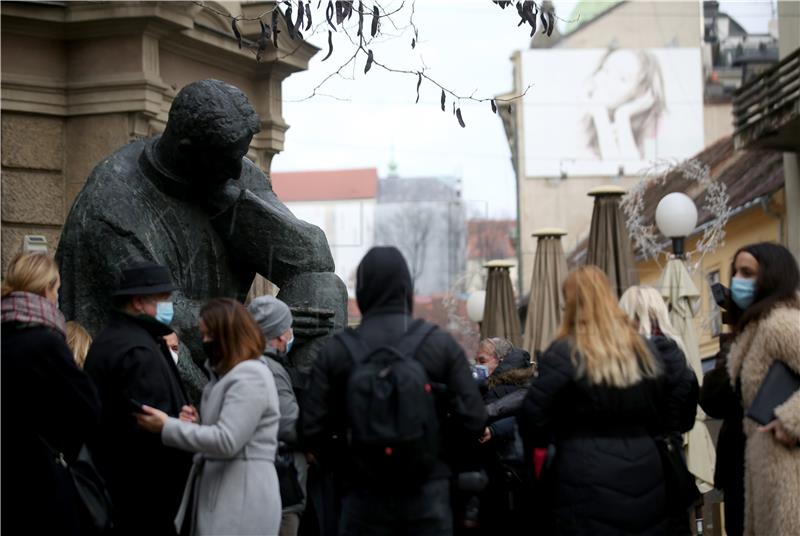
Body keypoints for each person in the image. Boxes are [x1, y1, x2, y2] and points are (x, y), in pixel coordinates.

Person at [56, 78, 346, 369]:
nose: (236, 170)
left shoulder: (231, 175)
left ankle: (309, 408)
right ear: (186, 151)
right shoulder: (112, 203)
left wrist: (237, 207)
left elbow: (313, 258)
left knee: (322, 288)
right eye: (227, 160)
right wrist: (251, 322)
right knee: (163, 344)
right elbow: (159, 313)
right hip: (154, 357)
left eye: (241, 157)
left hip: (226, 346)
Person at [302, 246, 487, 535]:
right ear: (407, 288)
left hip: (362, 493)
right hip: (428, 491)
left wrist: (348, 459)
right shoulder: (439, 345)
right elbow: (474, 419)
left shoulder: (337, 351)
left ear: (361, 290)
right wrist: (434, 451)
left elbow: (310, 428)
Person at [519, 266, 697, 535]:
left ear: (570, 305)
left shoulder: (565, 352)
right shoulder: (643, 348)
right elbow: (679, 393)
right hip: (647, 468)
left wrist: (557, 438)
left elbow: (532, 417)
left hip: (582, 471)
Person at [137, 298, 282, 536]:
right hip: (226, 491)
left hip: (242, 496)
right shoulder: (228, 375)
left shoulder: (250, 376)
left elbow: (227, 441)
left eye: (209, 335)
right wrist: (197, 424)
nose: (204, 341)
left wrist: (168, 426)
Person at [84, 261, 193, 536]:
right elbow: (147, 427)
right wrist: (175, 425)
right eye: (163, 299)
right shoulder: (136, 349)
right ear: (137, 302)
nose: (169, 305)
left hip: (126, 492)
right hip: (145, 499)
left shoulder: (122, 339)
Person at [1, 252, 101, 536]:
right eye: (57, 290)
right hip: (40, 483)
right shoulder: (45, 343)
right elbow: (88, 409)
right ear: (47, 289)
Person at [724, 242, 800, 536]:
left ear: (771, 277)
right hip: (768, 469)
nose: (737, 281)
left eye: (748, 273)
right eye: (736, 272)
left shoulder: (782, 323)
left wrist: (792, 420)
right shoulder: (757, 327)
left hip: (789, 468)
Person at [619, 285, 700, 535]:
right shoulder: (680, 358)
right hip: (670, 461)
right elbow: (687, 421)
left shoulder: (620, 362)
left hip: (626, 465)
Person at [248, 294, 308, 536]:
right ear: (281, 334)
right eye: (289, 326)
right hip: (280, 484)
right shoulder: (270, 369)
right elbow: (289, 425)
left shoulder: (249, 361)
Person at [477, 345, 535, 535]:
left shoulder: (510, 385)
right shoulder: (489, 384)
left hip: (508, 465)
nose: (478, 366)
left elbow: (522, 413)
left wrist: (493, 428)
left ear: (500, 361)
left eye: (483, 361)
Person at [583, 48, 665, 162]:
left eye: (622, 79)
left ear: (641, 92)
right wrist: (599, 114)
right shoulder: (584, 114)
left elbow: (629, 169)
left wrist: (622, 116)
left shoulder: (653, 124)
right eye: (606, 70)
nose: (606, 81)